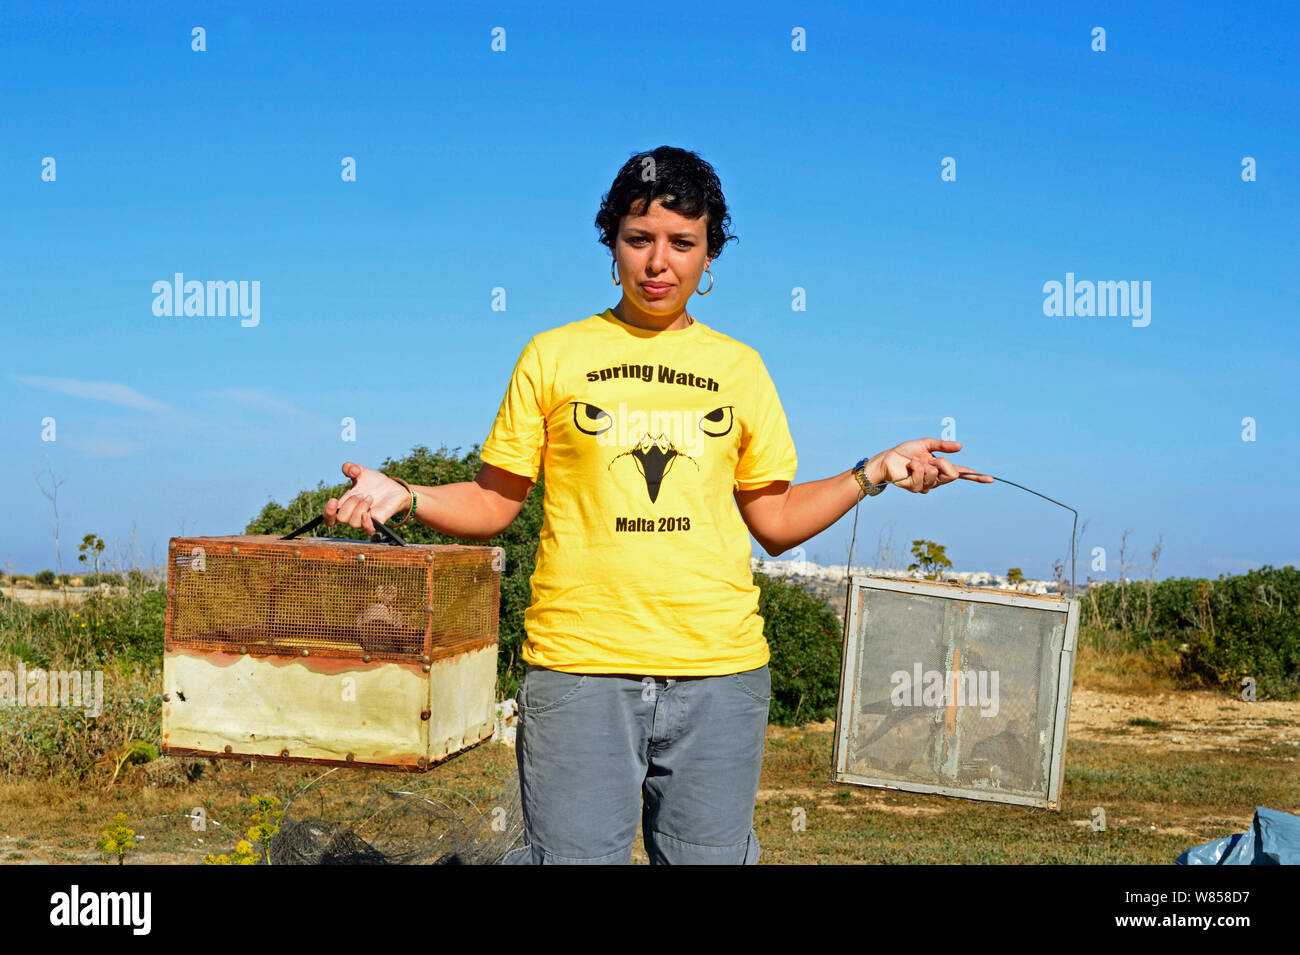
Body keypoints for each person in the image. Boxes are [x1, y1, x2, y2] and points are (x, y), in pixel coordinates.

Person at [323, 145, 993, 865]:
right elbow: (493, 501)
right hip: (580, 671)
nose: (658, 262)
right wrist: (410, 494)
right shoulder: (552, 355)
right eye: (639, 239)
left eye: (683, 243)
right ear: (611, 243)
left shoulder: (740, 368)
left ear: (710, 257)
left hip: (720, 673)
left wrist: (873, 472)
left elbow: (773, 521)